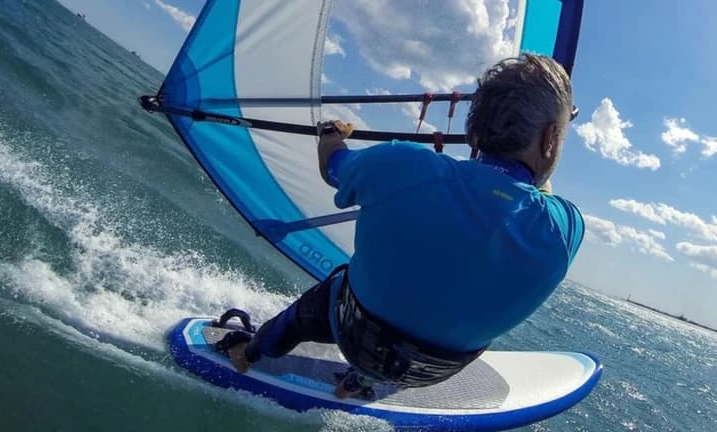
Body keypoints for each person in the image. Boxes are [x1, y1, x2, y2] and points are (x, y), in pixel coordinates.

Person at [218, 53, 585, 399]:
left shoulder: (402, 165)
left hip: (353, 331)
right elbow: (537, 191)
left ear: (476, 128)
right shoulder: (565, 229)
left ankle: (247, 353)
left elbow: (333, 167)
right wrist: (544, 144)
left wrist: (330, 133)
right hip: (433, 371)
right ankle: (354, 383)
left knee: (326, 296)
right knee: (438, 300)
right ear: (551, 139)